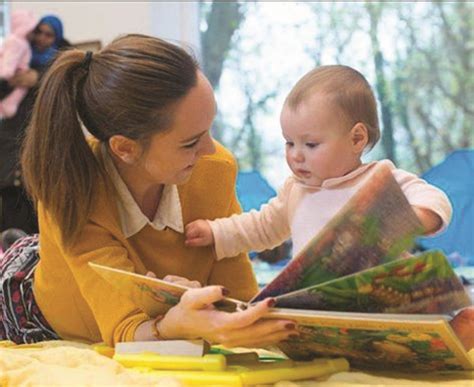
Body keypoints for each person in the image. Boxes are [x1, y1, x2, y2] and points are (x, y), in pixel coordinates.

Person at [0, 34, 297, 346]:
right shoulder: (71, 190)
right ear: (125, 149)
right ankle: (20, 246)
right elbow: (126, 330)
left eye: (208, 129)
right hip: (35, 308)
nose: (210, 150)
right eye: (191, 142)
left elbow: (240, 297)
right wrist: (172, 324)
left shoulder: (214, 167)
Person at [184, 65, 474, 350]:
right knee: (284, 324)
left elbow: (434, 198)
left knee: (422, 323)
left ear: (357, 139)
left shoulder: (379, 178)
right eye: (289, 143)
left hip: (384, 297)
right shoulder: (295, 191)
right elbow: (260, 226)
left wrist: (415, 218)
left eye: (310, 144)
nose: (296, 156)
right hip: (320, 303)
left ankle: (450, 335)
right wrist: (215, 232)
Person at [0, 14, 70, 235]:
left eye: (48, 34)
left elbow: (68, 89)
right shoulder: (18, 56)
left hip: (45, 144)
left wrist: (39, 78)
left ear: (56, 37)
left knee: (40, 210)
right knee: (12, 207)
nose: (41, 38)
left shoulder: (60, 62)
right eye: (38, 31)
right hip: (11, 144)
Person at [0, 10, 38, 118]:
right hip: (11, 75)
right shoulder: (17, 42)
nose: (34, 34)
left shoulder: (20, 42)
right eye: (31, 30)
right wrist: (8, 73)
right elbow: (10, 60)